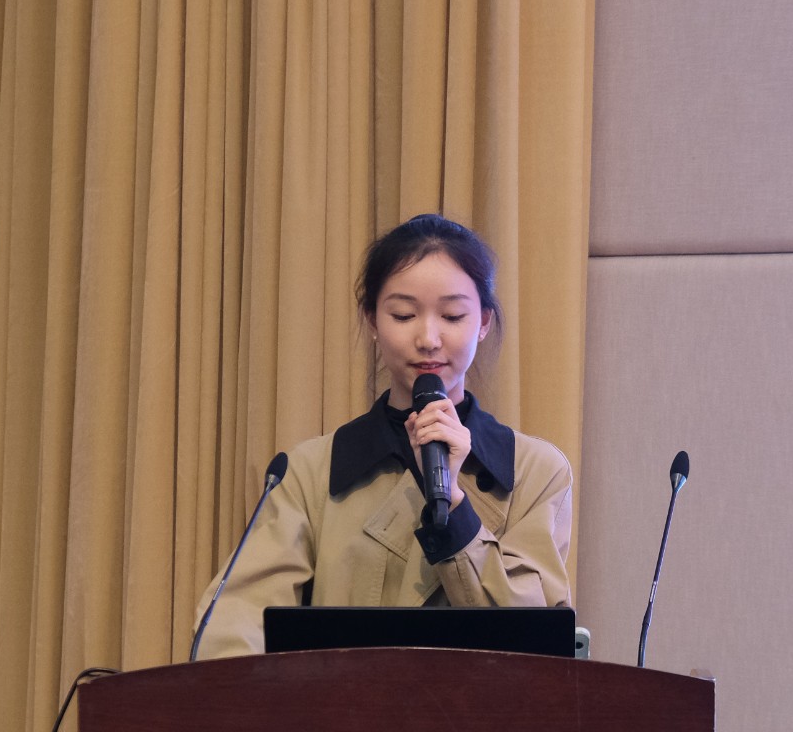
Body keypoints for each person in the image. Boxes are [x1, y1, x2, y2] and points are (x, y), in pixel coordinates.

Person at [193, 214, 573, 659]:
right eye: (403, 315)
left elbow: (536, 644)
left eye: (452, 315)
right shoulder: (310, 472)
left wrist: (454, 506)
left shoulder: (534, 471)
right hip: (342, 704)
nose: (428, 338)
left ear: (483, 322)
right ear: (372, 320)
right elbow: (236, 626)